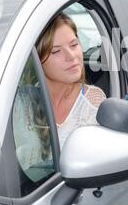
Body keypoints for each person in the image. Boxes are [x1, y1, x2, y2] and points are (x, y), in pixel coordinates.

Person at [36, 13, 107, 149]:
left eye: (74, 45)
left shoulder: (93, 102)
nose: (71, 56)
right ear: (38, 60)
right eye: (56, 51)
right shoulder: (23, 101)